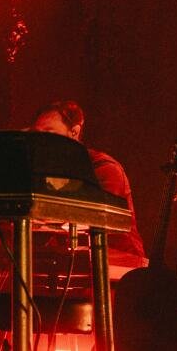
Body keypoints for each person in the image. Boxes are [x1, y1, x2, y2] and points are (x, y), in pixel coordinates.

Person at [30, 100, 146, 268]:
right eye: (37, 134)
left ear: (74, 132)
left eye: (49, 133)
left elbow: (102, 221)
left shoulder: (104, 168)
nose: (41, 141)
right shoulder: (45, 172)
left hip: (121, 264)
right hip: (75, 263)